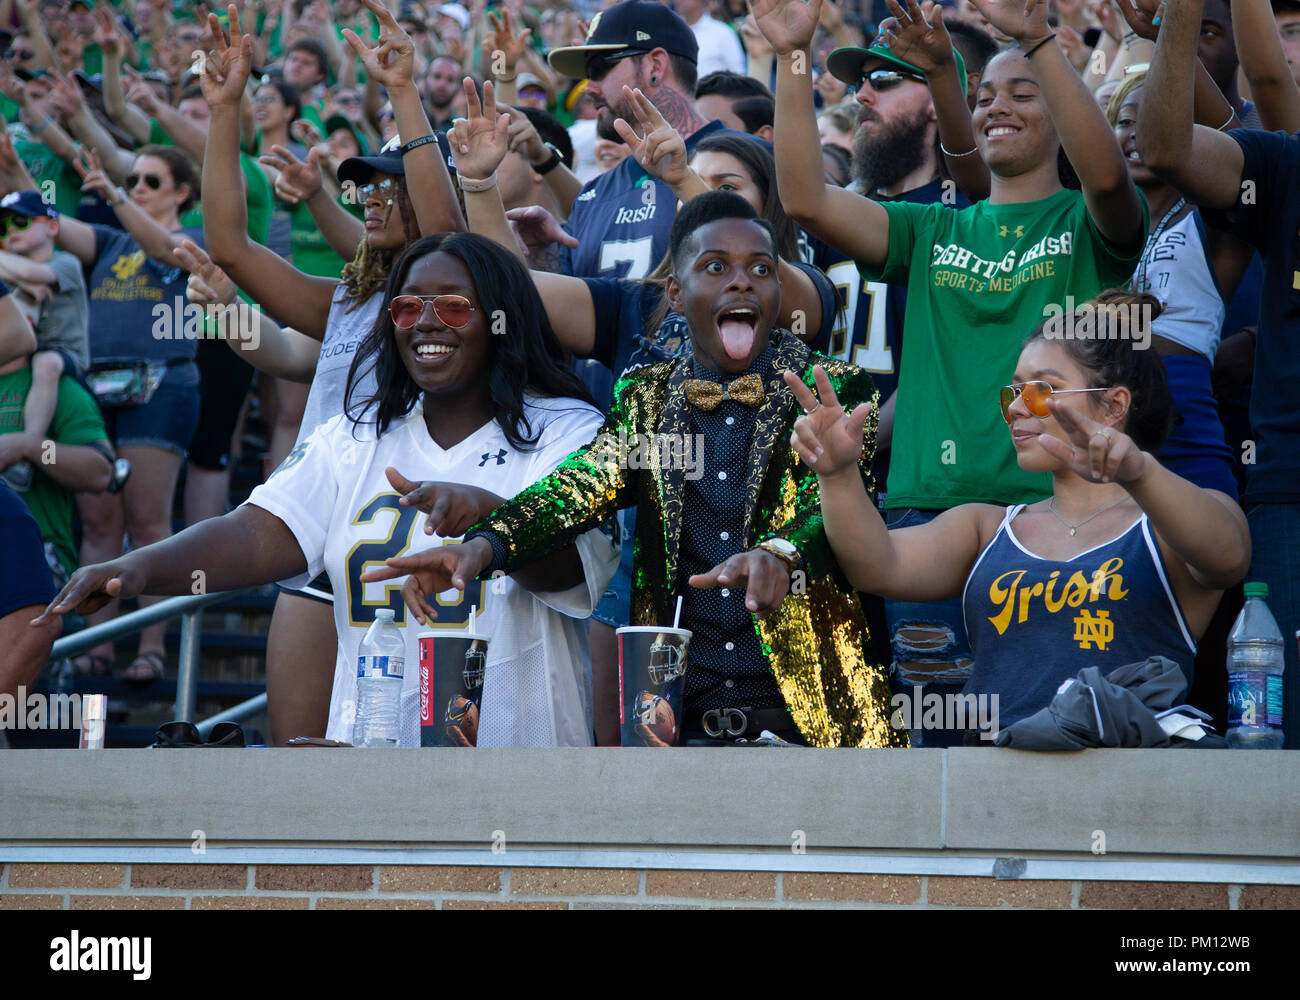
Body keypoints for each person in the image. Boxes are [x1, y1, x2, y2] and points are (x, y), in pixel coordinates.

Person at [367, 192, 902, 749]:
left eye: (760, 269)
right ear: (675, 292)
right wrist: (485, 546)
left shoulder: (833, 389)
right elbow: (577, 488)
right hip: (676, 727)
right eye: (715, 267)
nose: (741, 282)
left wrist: (782, 555)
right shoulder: (644, 398)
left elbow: (836, 516)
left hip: (815, 724)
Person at [37, 232, 616, 745]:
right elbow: (254, 534)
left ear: (502, 318)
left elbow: (579, 572)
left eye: (454, 307)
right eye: (408, 307)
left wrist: (490, 521)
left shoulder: (568, 431)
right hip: (368, 766)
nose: (427, 322)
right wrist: (139, 569)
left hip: (522, 764)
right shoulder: (355, 437)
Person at [756, 0, 1148, 744]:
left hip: (1052, 521)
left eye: (1022, 92)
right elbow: (805, 199)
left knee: (1051, 741)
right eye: (984, 96)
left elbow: (1105, 176)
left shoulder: (1089, 224)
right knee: (943, 748)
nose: (997, 104)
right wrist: (794, 55)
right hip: (923, 517)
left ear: (1063, 110)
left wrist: (1036, 40)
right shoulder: (931, 229)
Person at [788, 294, 1250, 735]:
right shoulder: (987, 527)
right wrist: (838, 472)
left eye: (1040, 389)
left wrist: (1139, 473)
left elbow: (1229, 556)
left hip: (1129, 793)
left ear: (1114, 406)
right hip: (996, 789)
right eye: (1013, 390)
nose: (1013, 407)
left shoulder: (1173, 522)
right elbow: (875, 563)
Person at [197, 1, 464, 745]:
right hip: (319, 539)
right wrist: (226, 111)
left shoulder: (460, 306)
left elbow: (448, 238)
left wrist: (404, 93)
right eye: (368, 185)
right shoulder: (350, 296)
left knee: (394, 759)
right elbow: (231, 244)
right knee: (302, 760)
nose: (376, 196)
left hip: (401, 554)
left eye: (395, 184)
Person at [1138, 0, 1300, 747]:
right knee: (1282, 744)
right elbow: (1165, 147)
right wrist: (1177, 13)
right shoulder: (1286, 164)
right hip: (1289, 497)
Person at [0, 190, 88, 495]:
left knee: (45, 362)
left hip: (66, 354)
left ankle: (28, 449)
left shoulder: (67, 262)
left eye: (21, 221)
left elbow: (30, 271)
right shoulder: (12, 272)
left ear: (52, 227)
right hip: (21, 356)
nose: (10, 230)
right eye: (3, 227)